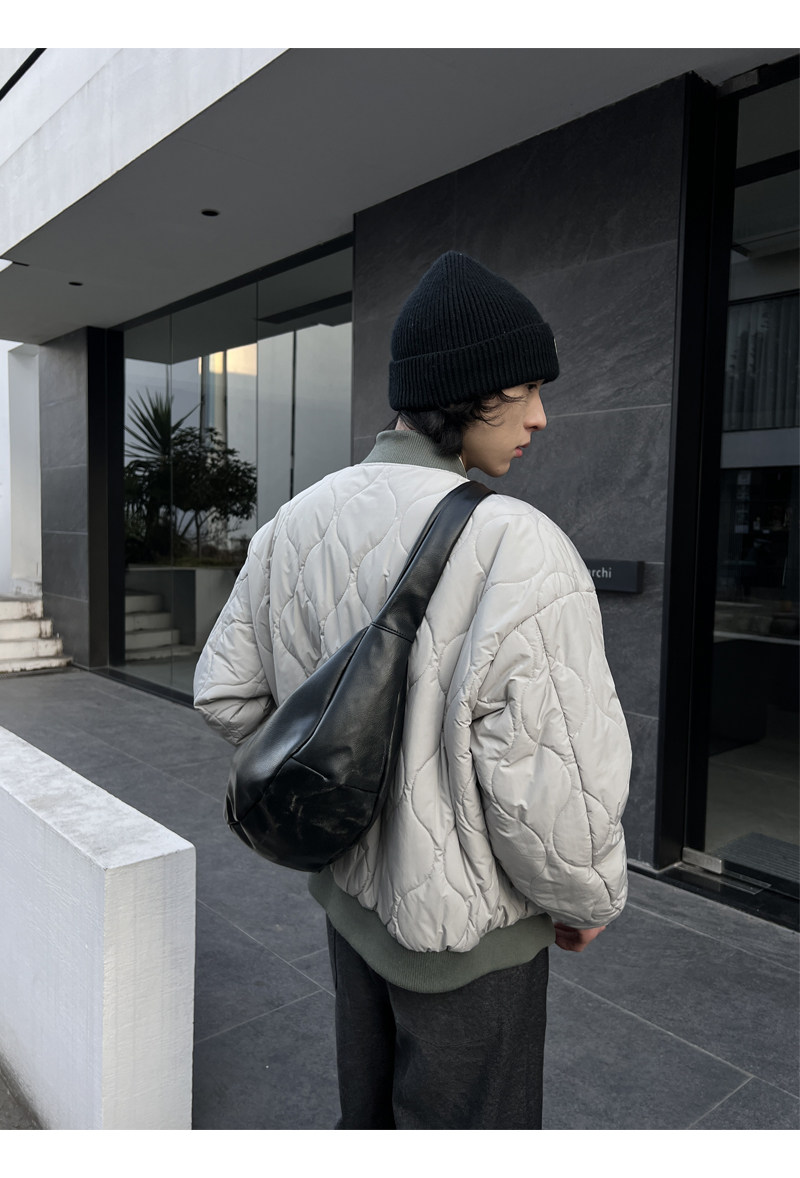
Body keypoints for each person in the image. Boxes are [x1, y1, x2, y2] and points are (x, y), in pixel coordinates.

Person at [194, 251, 631, 1130]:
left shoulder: (295, 524)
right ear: (463, 393)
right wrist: (587, 898)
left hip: (350, 905)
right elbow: (553, 783)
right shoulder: (520, 547)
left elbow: (226, 694)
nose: (540, 417)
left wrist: (350, 786)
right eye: (523, 390)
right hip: (470, 941)